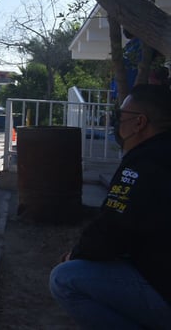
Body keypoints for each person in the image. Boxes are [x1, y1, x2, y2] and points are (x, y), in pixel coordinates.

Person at [49, 84, 171, 328]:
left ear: (139, 123)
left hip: (163, 290)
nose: (115, 122)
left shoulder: (144, 164)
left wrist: (75, 255)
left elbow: (112, 228)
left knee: (65, 278)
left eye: (120, 117)